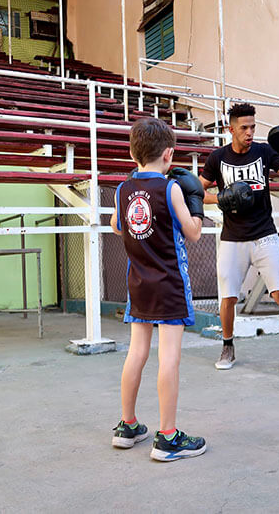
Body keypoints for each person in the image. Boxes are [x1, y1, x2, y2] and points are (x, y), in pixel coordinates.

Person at [110, 117, 208, 461]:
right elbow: (193, 232)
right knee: (169, 357)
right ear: (169, 155)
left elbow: (117, 226)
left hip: (138, 282)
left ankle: (128, 424)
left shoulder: (123, 190)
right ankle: (167, 436)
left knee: (136, 352)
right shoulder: (171, 188)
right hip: (169, 284)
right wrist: (197, 206)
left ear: (132, 153)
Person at [198, 103, 279, 378]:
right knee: (228, 298)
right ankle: (227, 347)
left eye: (252, 127)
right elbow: (196, 191)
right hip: (233, 238)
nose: (249, 133)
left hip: (264, 235)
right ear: (231, 129)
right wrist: (220, 198)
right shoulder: (217, 158)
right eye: (244, 128)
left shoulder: (263, 151)